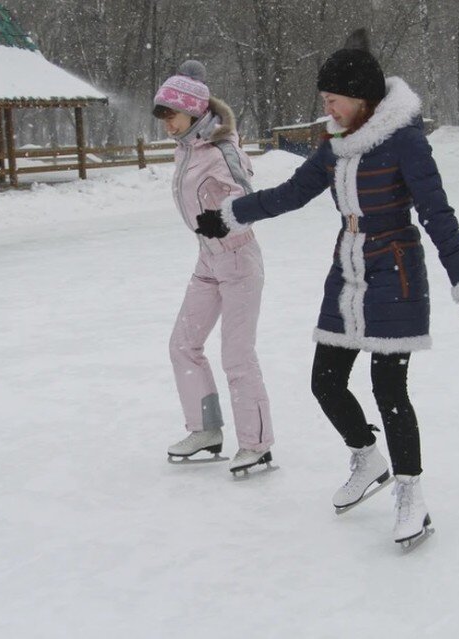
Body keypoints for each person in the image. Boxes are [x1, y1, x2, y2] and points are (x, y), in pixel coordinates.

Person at [195, 30, 459, 546]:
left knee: (388, 388)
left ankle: (411, 495)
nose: (326, 106)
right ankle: (366, 457)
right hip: (347, 269)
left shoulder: (404, 140)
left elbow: (438, 213)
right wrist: (230, 216)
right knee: (325, 381)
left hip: (396, 269)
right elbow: (292, 193)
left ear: (361, 97)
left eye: (333, 98)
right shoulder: (335, 143)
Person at [155, 61, 275, 474]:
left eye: (169, 113)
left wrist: (224, 216)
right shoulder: (188, 146)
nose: (165, 123)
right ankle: (206, 429)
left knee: (237, 355)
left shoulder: (222, 149)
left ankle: (257, 445)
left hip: (238, 256)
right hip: (207, 257)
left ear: (192, 110)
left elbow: (247, 197)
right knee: (183, 344)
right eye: (161, 115)